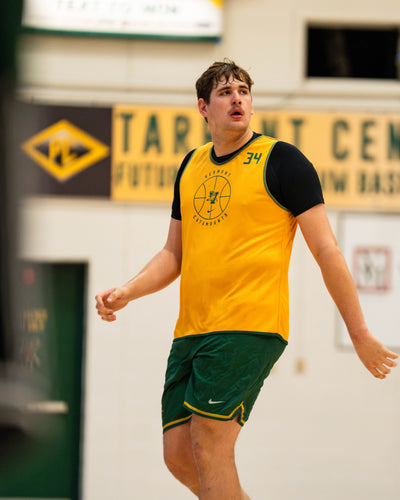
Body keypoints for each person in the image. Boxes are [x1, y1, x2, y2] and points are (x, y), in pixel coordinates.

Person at [95, 59, 398, 499]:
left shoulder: (283, 160)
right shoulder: (191, 165)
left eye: (243, 91)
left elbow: (326, 251)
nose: (237, 98)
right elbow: (173, 254)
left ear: (251, 104)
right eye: (225, 92)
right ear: (204, 107)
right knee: (179, 455)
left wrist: (359, 333)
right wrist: (128, 290)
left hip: (249, 325)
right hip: (192, 330)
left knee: (209, 442)